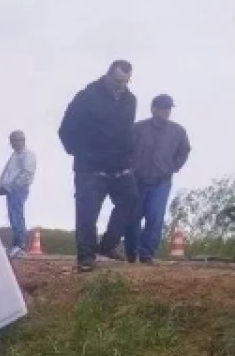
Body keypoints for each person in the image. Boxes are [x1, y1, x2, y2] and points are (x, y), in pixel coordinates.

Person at [58, 60, 139, 272]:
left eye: (125, 81)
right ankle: (86, 258)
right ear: (108, 75)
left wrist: (129, 155)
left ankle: (108, 244)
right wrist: (82, 154)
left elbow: (128, 132)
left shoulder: (130, 100)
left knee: (130, 200)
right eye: (117, 80)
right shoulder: (87, 97)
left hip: (120, 164)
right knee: (87, 212)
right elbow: (66, 130)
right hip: (90, 166)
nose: (121, 85)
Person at [126, 94, 191, 263]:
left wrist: (173, 167)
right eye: (162, 108)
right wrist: (130, 168)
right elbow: (125, 149)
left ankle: (146, 253)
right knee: (132, 218)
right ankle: (131, 252)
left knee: (155, 218)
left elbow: (184, 151)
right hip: (137, 180)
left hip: (161, 182)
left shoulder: (178, 131)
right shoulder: (137, 128)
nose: (166, 111)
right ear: (153, 109)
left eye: (168, 108)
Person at [0, 130, 37, 257]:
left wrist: (14, 185)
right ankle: (16, 245)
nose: (13, 143)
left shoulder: (28, 155)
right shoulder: (15, 155)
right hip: (11, 189)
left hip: (18, 189)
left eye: (15, 140)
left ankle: (21, 246)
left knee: (17, 216)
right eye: (12, 140)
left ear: (21, 140)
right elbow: (8, 171)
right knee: (13, 216)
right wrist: (2, 184)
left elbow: (27, 173)